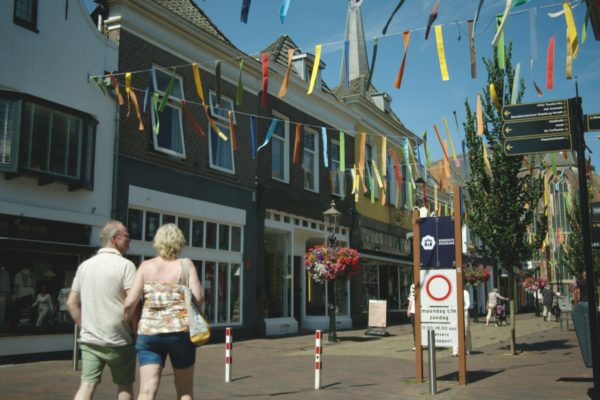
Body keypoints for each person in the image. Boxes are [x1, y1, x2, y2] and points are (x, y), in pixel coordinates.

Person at [124, 223, 204, 400]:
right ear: (179, 242)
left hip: (149, 334)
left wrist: (129, 326)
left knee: (146, 391)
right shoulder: (186, 264)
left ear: (157, 242)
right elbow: (199, 299)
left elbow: (130, 302)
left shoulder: (145, 266)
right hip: (181, 333)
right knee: (185, 391)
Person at [67, 221, 137, 400]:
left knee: (87, 385)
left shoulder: (85, 266)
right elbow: (132, 303)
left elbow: (71, 303)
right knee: (125, 385)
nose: (130, 240)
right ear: (115, 239)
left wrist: (85, 326)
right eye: (127, 236)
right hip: (119, 339)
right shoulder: (126, 266)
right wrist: (136, 333)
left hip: (91, 339)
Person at [453, 289, 473, 356]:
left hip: (464, 312)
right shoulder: (452, 292)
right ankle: (455, 350)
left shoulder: (465, 292)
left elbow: (468, 304)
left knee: (466, 330)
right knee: (454, 331)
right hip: (454, 312)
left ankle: (467, 348)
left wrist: (463, 309)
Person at [407, 283, 416, 351]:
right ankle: (416, 344)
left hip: (421, 311)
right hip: (413, 311)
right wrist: (409, 309)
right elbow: (411, 298)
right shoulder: (412, 286)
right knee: (414, 328)